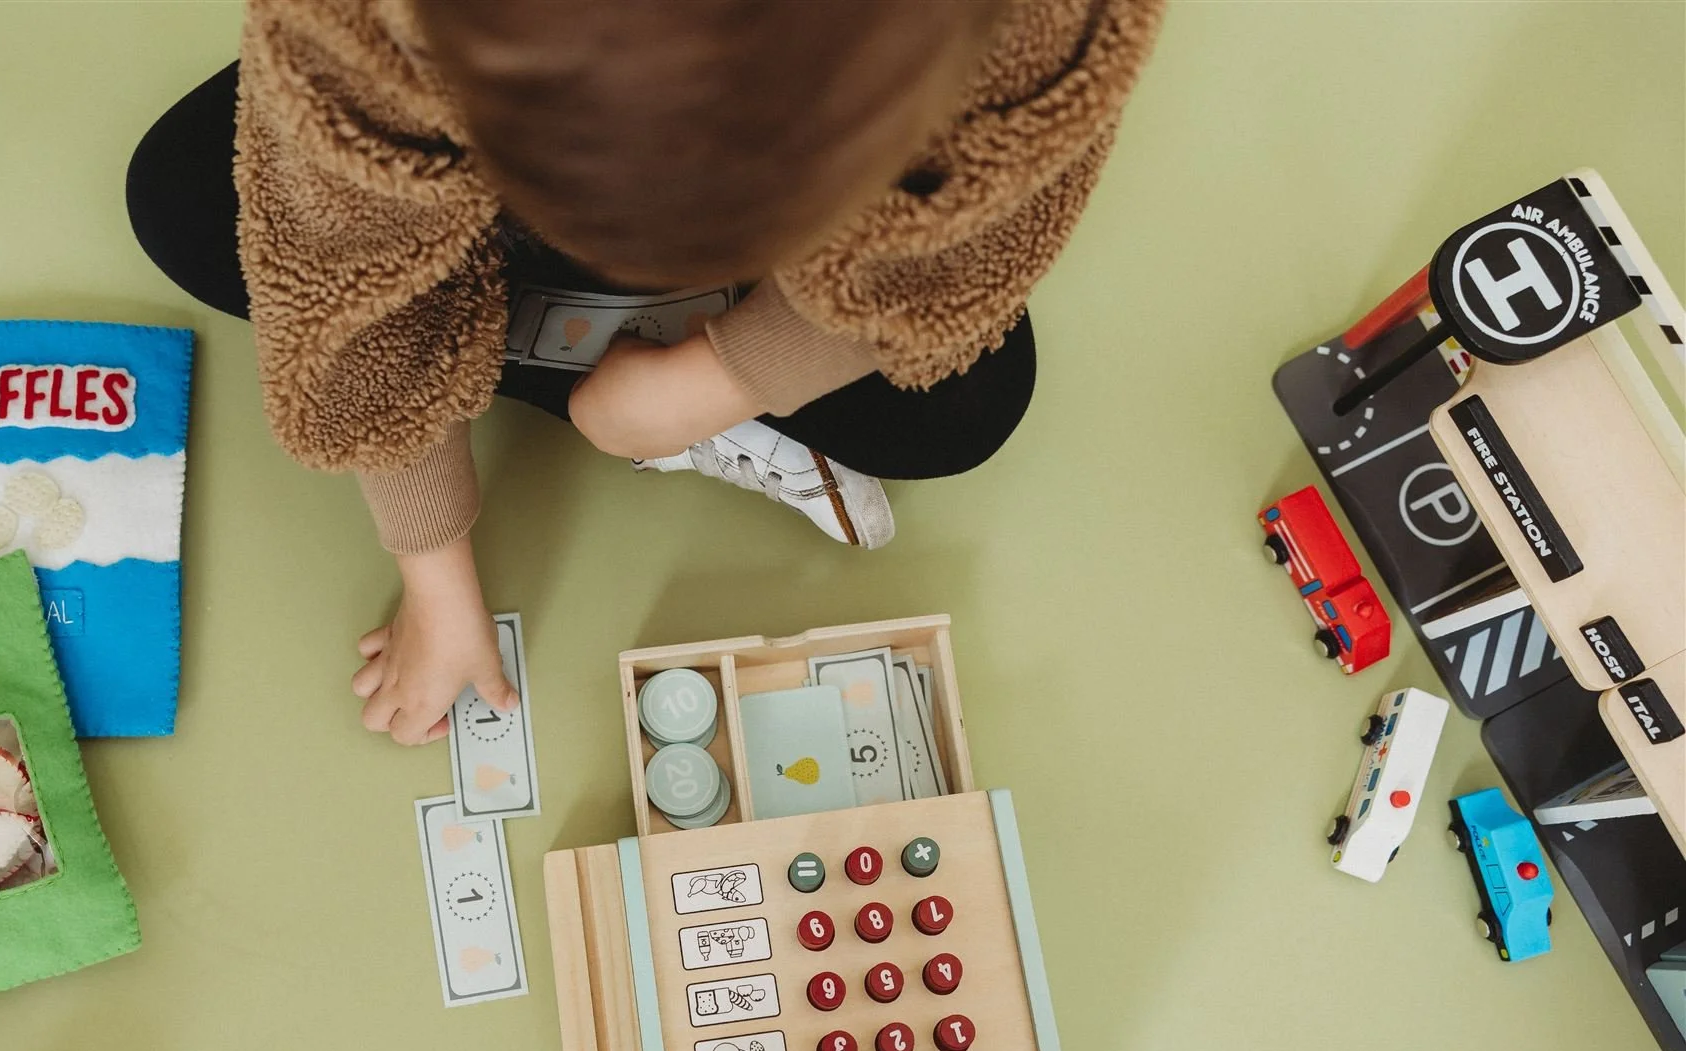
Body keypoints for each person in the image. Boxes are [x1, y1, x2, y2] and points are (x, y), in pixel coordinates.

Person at [128, 0, 1164, 744]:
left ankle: (615, 330)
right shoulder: (365, 27)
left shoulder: (1042, 27)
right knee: (183, 201)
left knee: (968, 401)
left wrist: (728, 376)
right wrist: (431, 568)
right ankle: (574, 296)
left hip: (829, 156)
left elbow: (971, 237)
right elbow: (337, 264)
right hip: (461, 113)